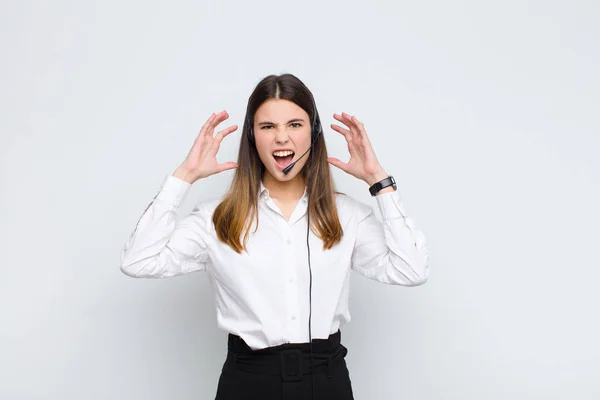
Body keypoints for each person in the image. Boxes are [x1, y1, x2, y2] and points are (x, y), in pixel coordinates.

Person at [119, 73, 429, 400]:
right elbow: (138, 261)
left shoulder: (345, 214)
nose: (282, 138)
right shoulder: (217, 218)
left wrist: (380, 182)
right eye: (268, 127)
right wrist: (184, 176)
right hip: (249, 381)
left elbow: (411, 270)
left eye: (295, 125)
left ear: (314, 133)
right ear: (252, 136)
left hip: (326, 381)